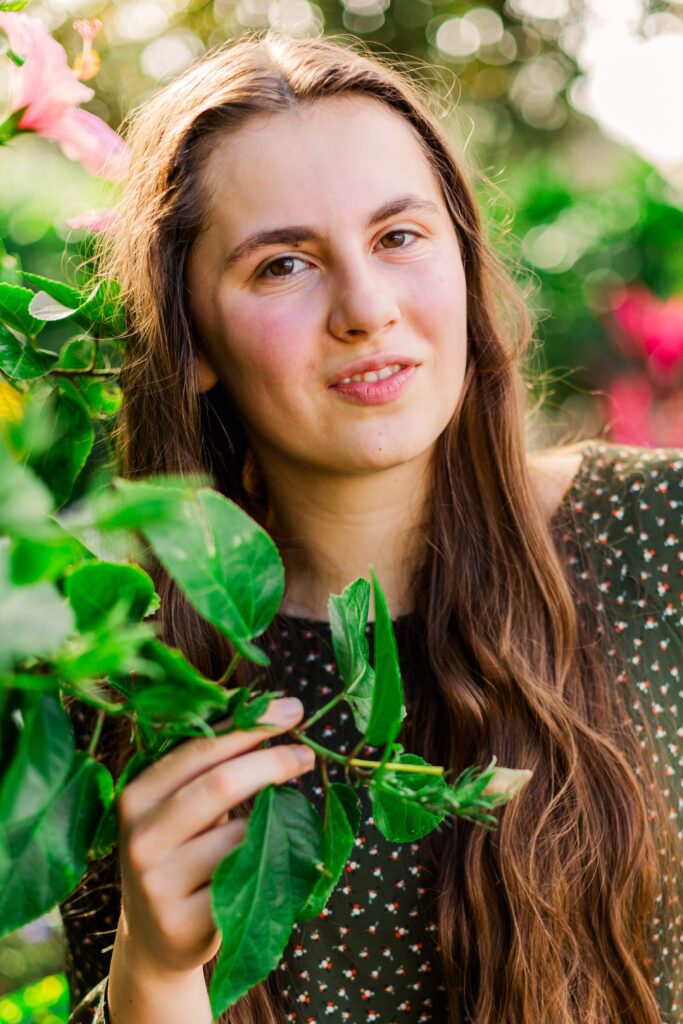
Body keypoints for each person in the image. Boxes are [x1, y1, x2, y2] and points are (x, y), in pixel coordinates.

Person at [59, 28, 683, 1024]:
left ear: (466, 263)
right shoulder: (129, 677)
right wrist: (157, 970)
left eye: (397, 237)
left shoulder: (662, 533)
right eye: (281, 266)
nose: (365, 308)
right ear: (193, 340)